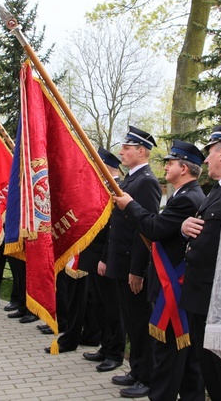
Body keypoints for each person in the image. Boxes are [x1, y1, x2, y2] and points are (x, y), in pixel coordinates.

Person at [114, 140, 206, 401]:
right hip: (171, 286)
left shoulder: (189, 199)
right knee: (185, 361)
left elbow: (155, 228)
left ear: (185, 169)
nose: (166, 167)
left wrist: (131, 205)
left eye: (171, 163)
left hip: (174, 288)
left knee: (168, 356)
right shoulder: (183, 196)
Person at [102, 126, 161, 397]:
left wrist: (137, 270)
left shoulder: (146, 181)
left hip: (132, 265)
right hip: (121, 262)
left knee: (139, 322)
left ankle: (146, 376)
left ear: (141, 151)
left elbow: (144, 231)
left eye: (127, 147)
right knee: (131, 320)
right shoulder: (129, 181)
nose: (122, 152)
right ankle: (136, 370)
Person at [180, 124, 221, 401]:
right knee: (210, 372)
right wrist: (184, 228)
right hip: (202, 296)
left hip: (217, 299)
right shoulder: (217, 190)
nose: (205, 160)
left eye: (210, 153)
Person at [80, 148, 126, 370]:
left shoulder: (117, 188)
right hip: (92, 254)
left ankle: (115, 353)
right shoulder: (101, 186)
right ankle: (105, 346)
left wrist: (105, 258)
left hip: (105, 257)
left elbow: (113, 229)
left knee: (112, 306)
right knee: (99, 303)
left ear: (107, 166)